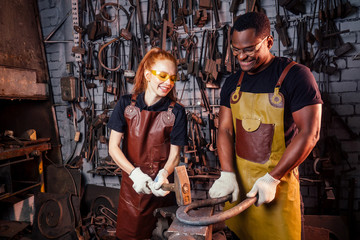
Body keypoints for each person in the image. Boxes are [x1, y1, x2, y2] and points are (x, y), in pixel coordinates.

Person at [209, 12, 323, 240]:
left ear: (269, 42)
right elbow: (225, 130)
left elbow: (310, 133)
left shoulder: (296, 76)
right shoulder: (233, 83)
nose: (242, 57)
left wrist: (272, 178)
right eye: (236, 50)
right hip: (240, 189)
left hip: (276, 188)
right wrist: (227, 173)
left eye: (249, 49)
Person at [107, 48, 187, 240]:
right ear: (148, 75)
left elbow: (175, 155)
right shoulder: (126, 105)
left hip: (161, 188)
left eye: (173, 78)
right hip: (133, 187)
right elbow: (113, 147)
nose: (168, 83)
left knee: (160, 234)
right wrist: (135, 174)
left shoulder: (176, 112)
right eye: (163, 75)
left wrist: (163, 174)